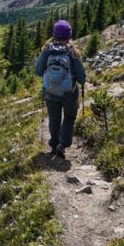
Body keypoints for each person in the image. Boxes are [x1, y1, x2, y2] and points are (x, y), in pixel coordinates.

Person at [35, 19, 86, 159]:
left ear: (54, 34)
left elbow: (38, 71)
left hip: (50, 91)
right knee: (69, 117)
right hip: (69, 93)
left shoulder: (46, 51)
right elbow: (81, 77)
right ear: (69, 35)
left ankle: (53, 144)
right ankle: (62, 145)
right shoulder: (73, 52)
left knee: (54, 118)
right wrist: (81, 81)